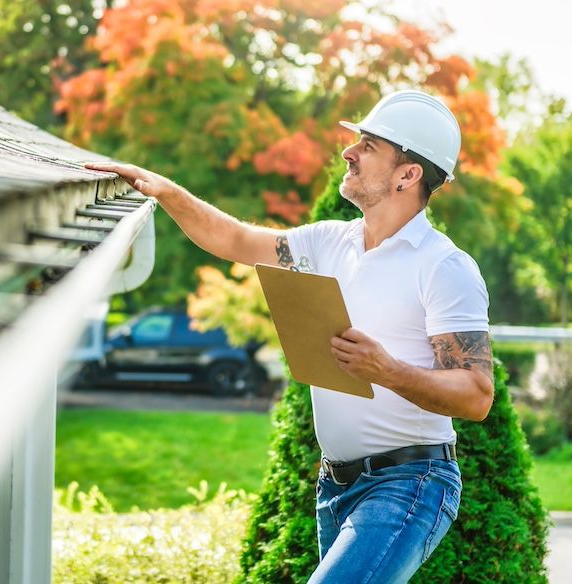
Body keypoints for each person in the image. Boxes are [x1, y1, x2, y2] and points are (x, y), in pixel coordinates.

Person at [86, 89, 494, 583]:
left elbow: (475, 395)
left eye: (368, 145)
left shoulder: (444, 267)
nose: (349, 152)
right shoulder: (328, 242)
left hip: (411, 481)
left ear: (408, 174)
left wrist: (385, 370)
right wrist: (166, 191)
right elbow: (234, 239)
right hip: (336, 484)